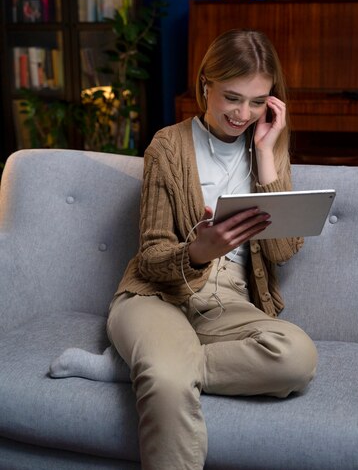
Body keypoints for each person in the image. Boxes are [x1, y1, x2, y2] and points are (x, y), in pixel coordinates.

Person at [50, 29, 317, 469]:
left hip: (225, 302)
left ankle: (141, 369)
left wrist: (268, 157)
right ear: (205, 84)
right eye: (232, 97)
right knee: (169, 382)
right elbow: (152, 256)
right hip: (156, 294)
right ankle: (158, 368)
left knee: (296, 357)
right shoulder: (167, 145)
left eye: (257, 101)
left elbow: (283, 252)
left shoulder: (270, 149)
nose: (244, 113)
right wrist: (198, 250)